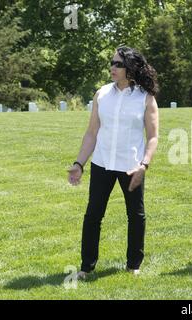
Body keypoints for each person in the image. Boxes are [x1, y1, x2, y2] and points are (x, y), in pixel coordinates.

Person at [68, 46, 159, 279]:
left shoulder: (145, 98)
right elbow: (91, 133)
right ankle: (86, 267)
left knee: (135, 215)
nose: (113, 67)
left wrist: (144, 164)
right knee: (93, 215)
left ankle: (133, 265)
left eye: (118, 64)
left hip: (132, 166)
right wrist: (79, 164)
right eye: (112, 63)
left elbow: (153, 137)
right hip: (101, 163)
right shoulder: (102, 94)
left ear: (132, 68)